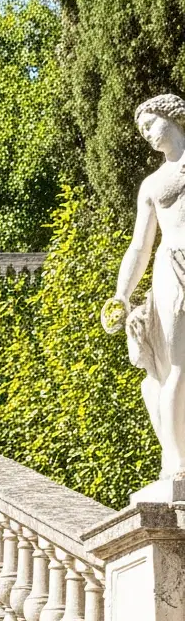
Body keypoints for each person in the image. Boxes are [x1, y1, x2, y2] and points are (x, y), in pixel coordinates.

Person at [105, 91, 185, 483]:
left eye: (150, 124)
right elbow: (140, 245)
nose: (147, 135)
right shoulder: (153, 184)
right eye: (141, 131)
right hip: (173, 267)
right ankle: (176, 462)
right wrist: (122, 293)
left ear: (172, 116)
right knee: (177, 366)